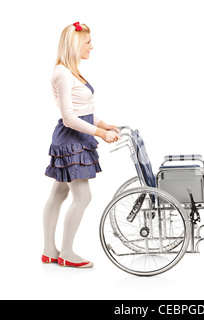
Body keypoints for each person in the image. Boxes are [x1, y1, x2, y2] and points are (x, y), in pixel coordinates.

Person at [42, 22, 121, 268]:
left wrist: (104, 124)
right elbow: (69, 118)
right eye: (88, 42)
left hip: (75, 137)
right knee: (82, 196)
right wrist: (99, 133)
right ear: (76, 44)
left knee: (59, 192)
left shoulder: (70, 71)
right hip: (72, 139)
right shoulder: (63, 74)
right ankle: (66, 253)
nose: (92, 46)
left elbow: (83, 111)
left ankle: (49, 251)